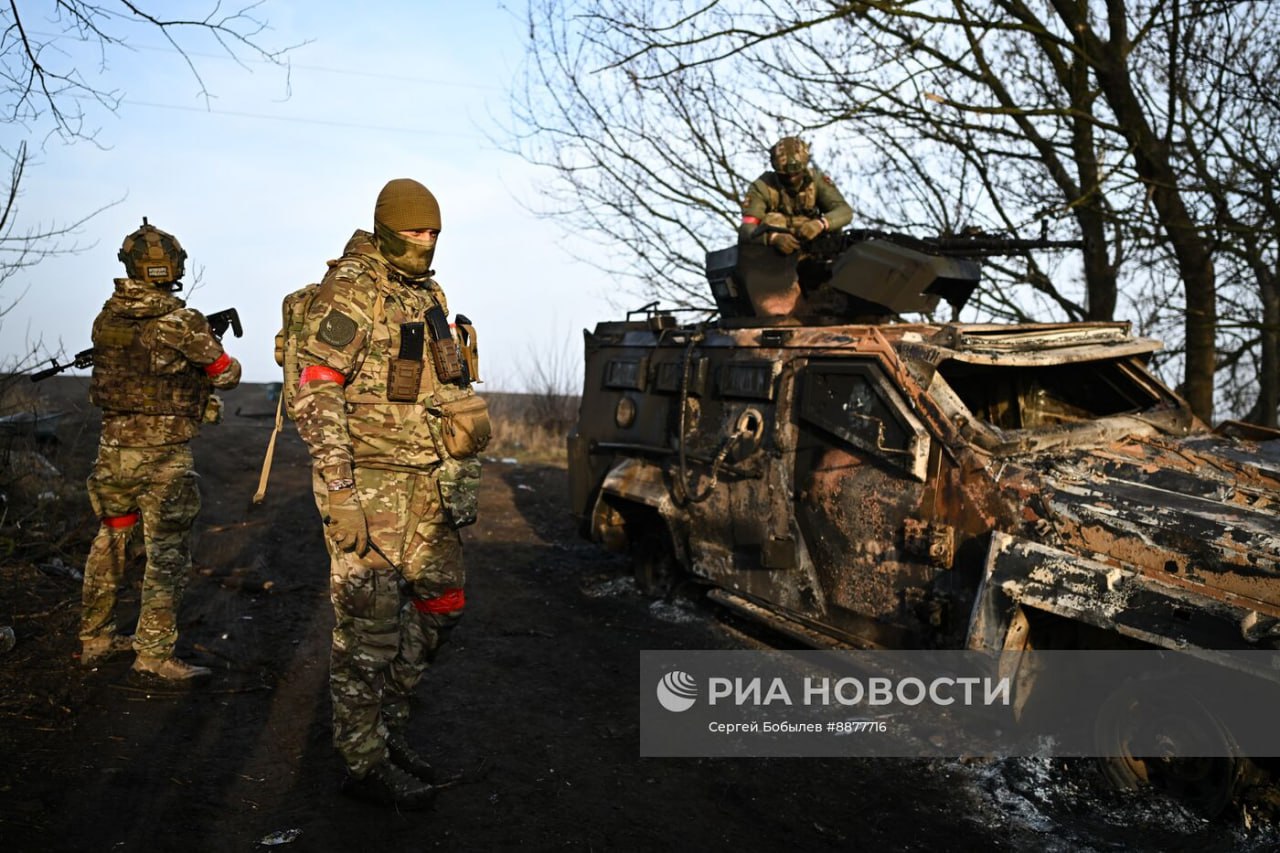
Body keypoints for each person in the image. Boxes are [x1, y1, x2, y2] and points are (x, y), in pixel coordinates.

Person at [292, 178, 481, 810]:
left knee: (443, 605)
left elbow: (444, 377)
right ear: (385, 228)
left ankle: (387, 726)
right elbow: (315, 391)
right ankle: (363, 762)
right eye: (415, 233)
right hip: (368, 486)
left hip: (427, 483)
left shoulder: (429, 292)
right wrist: (339, 493)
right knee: (365, 636)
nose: (426, 242)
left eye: (434, 233)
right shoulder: (350, 290)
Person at [79, 218, 241, 682]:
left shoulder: (106, 317)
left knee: (111, 538)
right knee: (166, 553)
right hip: (164, 458)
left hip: (112, 452)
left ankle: (95, 637)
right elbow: (226, 374)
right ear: (172, 266)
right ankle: (153, 653)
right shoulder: (181, 321)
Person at [737, 136, 854, 316]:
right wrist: (773, 238)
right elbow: (747, 230)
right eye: (785, 175)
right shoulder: (762, 187)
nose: (792, 178)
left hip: (813, 255)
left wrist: (820, 224)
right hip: (775, 265)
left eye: (796, 172)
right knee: (773, 221)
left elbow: (844, 212)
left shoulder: (816, 181)